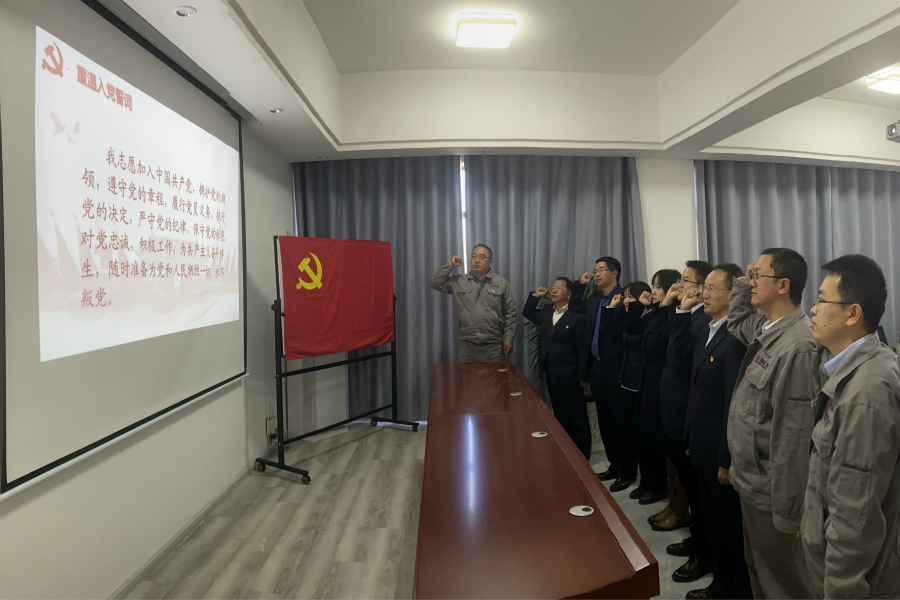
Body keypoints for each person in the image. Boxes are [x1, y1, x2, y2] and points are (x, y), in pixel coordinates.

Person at [726, 248, 822, 599]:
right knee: (760, 572)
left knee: (784, 585)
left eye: (758, 276)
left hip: (772, 496)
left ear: (783, 285)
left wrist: (788, 513)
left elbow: (793, 439)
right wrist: (746, 277)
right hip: (751, 484)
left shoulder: (798, 346)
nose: (751, 282)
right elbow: (736, 318)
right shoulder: (767, 327)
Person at [802, 254, 900, 599]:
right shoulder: (845, 367)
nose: (812, 309)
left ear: (852, 313)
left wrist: (839, 591)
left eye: (821, 301)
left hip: (851, 583)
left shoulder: (866, 393)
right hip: (826, 562)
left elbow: (855, 519)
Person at [675, 263, 751, 600]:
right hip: (701, 444)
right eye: (703, 287)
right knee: (711, 523)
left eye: (711, 288)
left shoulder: (734, 338)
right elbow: (695, 389)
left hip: (721, 454)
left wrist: (726, 459)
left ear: (734, 295)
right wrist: (690, 436)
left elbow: (732, 404)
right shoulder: (706, 328)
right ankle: (721, 582)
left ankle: (731, 589)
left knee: (728, 529)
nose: (703, 293)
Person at [658, 260, 715, 583]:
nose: (680, 286)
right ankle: (697, 539)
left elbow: (682, 359)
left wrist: (681, 311)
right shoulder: (686, 315)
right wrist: (672, 307)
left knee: (700, 495)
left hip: (689, 417)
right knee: (692, 492)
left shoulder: (704, 320)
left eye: (686, 280)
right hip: (674, 412)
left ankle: (704, 552)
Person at [571, 257, 635, 490]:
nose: (596, 274)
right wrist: (580, 286)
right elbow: (573, 308)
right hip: (597, 368)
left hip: (617, 368)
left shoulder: (624, 298)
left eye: (601, 270)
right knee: (605, 421)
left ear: (614, 273)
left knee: (620, 422)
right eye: (595, 270)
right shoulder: (594, 299)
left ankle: (627, 471)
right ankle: (614, 465)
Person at [619, 275, 676, 506]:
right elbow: (632, 327)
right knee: (642, 434)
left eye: (658, 287)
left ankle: (658, 485)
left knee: (654, 437)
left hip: (658, 381)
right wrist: (639, 306)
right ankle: (646, 481)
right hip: (643, 379)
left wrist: (666, 305)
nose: (653, 291)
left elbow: (660, 341)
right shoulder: (654, 313)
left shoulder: (671, 314)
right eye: (653, 286)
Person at [523, 277, 592, 458]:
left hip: (571, 374)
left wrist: (584, 375)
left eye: (559, 288)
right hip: (552, 372)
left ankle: (583, 454)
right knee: (560, 414)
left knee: (576, 416)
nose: (553, 291)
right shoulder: (547, 311)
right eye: (553, 288)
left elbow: (583, 349)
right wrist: (535, 296)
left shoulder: (577, 316)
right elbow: (528, 312)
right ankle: (565, 451)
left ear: (569, 294)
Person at [432, 244, 517, 363]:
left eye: (482, 257)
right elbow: (436, 284)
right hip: (467, 346)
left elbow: (510, 312)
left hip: (493, 346)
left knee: (494, 375)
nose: (477, 260)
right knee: (467, 375)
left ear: (490, 262)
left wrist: (509, 338)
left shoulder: (501, 283)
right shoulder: (459, 281)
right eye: (473, 256)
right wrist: (450, 265)